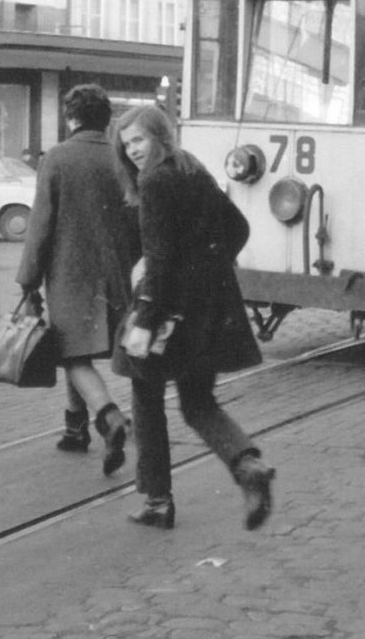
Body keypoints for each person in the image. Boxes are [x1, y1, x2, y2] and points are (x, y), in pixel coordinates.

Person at [111, 104, 273, 531]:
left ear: (160, 136)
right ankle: (247, 465)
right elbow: (237, 227)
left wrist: (144, 321)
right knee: (198, 401)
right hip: (209, 311)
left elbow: (159, 260)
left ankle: (158, 502)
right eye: (126, 145)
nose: (132, 152)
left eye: (139, 140)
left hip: (166, 312)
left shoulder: (154, 181)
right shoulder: (191, 168)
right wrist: (206, 270)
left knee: (146, 399)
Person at [16, 84, 138, 474]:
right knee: (79, 349)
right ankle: (75, 429)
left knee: (72, 352)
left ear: (71, 117)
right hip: (117, 274)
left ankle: (108, 417)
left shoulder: (57, 158)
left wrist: (28, 277)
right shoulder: (122, 158)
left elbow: (41, 223)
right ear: (107, 119)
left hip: (70, 275)